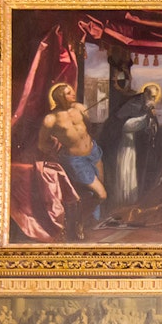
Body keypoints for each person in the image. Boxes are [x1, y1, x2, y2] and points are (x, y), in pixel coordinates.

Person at [38, 83, 105, 238]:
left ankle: (89, 220)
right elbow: (42, 144)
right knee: (101, 195)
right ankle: (79, 223)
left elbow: (88, 127)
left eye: (72, 92)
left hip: (94, 153)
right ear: (60, 97)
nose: (73, 95)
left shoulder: (80, 108)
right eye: (69, 93)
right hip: (76, 160)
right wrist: (55, 151)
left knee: (98, 193)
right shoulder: (50, 119)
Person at [102, 83, 160, 209]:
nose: (153, 99)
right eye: (152, 96)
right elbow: (126, 124)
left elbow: (152, 125)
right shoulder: (134, 103)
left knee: (140, 173)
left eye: (155, 97)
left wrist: (151, 118)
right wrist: (146, 116)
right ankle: (125, 202)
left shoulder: (147, 105)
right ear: (145, 94)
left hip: (139, 145)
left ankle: (135, 202)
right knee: (127, 172)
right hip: (127, 145)